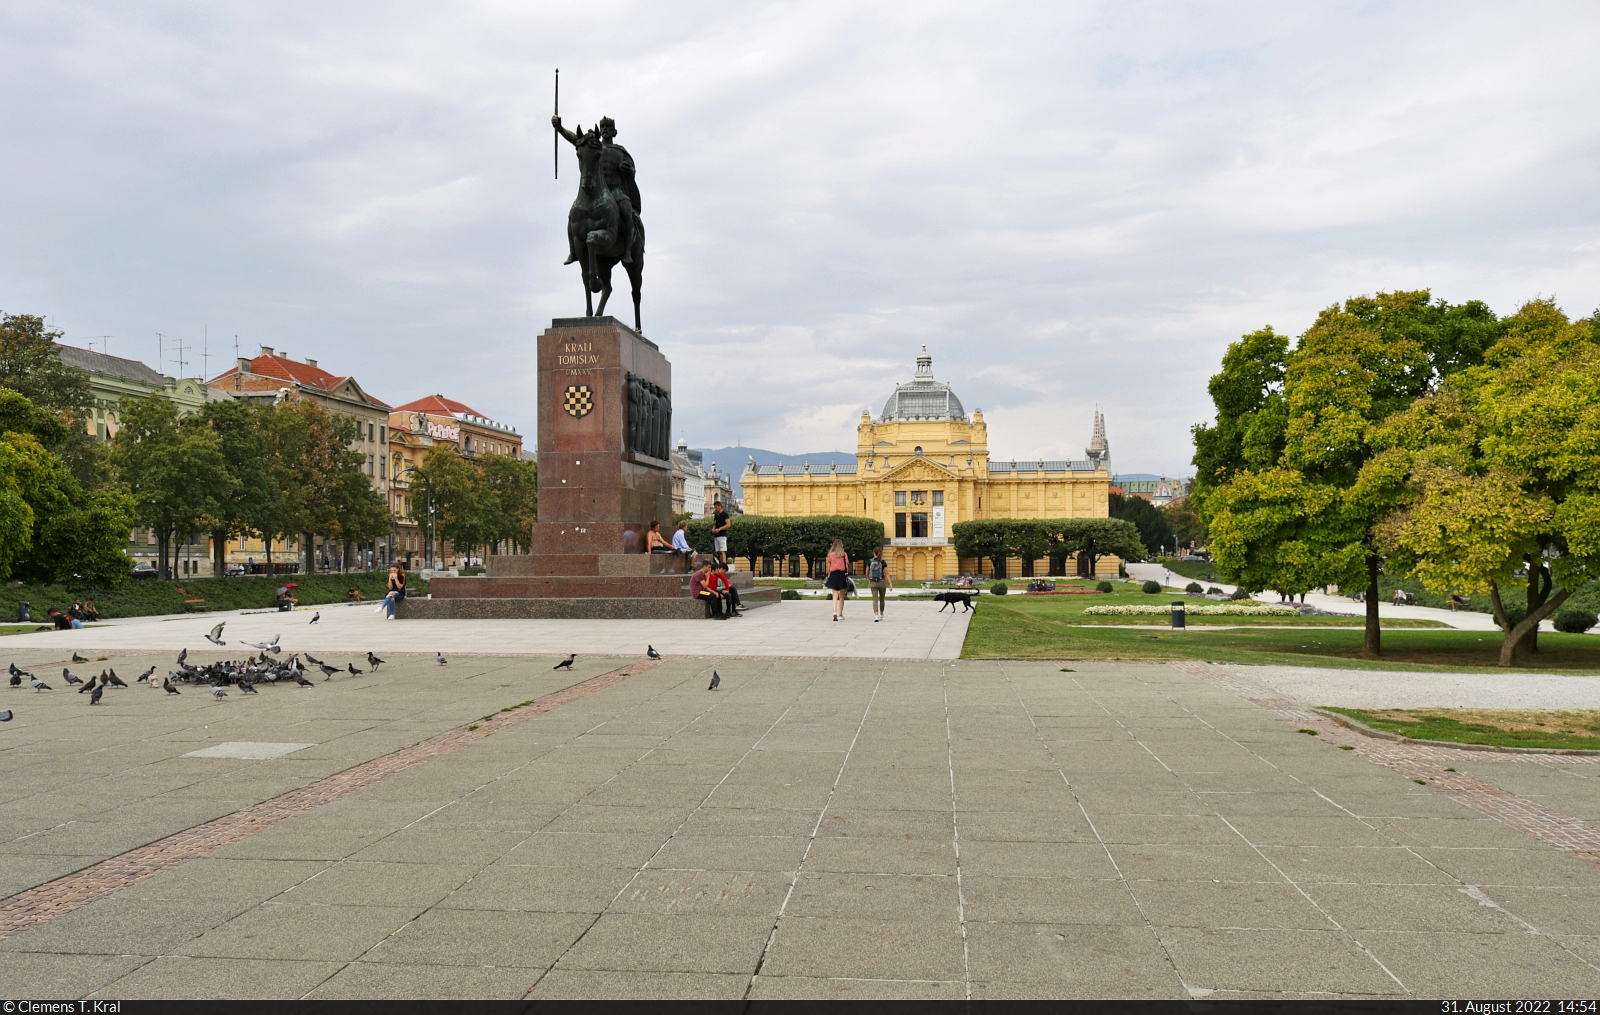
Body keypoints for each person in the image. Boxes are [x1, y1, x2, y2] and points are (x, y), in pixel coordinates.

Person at [824, 538, 851, 621]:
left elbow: (828, 567)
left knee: (834, 595)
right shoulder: (844, 554)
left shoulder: (831, 555)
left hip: (833, 575)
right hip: (842, 575)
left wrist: (829, 575)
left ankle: (834, 611)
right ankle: (840, 614)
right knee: (842, 596)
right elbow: (846, 566)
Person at [867, 546, 893, 622]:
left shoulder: (869, 561)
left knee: (875, 600)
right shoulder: (883, 562)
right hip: (882, 582)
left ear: (873, 553)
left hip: (873, 582)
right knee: (882, 599)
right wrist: (890, 584)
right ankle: (881, 614)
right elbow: (887, 573)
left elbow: (867, 573)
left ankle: (876, 615)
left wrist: (869, 579)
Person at [711, 500, 731, 567]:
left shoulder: (725, 514)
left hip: (722, 535)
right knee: (719, 551)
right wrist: (713, 528)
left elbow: (728, 525)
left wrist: (719, 529)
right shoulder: (716, 515)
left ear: (720, 506)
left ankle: (724, 565)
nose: (715, 508)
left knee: (722, 550)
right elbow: (715, 523)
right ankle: (720, 564)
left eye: (716, 507)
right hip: (716, 535)